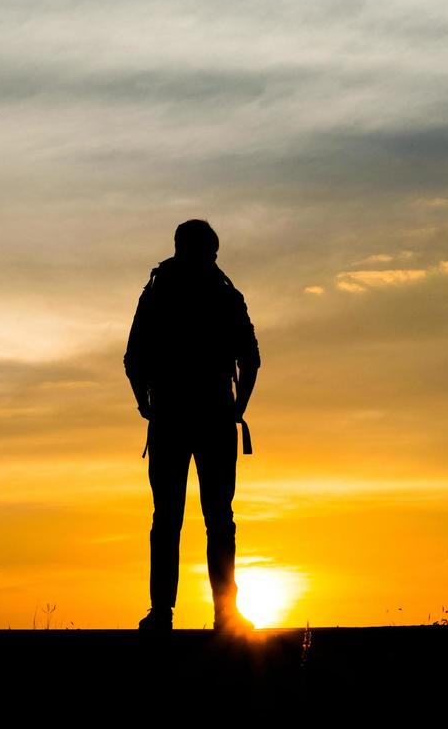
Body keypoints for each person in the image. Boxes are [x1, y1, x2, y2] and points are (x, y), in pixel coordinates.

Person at [124, 219, 260, 633]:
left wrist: (145, 404)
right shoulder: (225, 294)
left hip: (169, 415)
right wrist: (237, 407)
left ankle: (162, 613)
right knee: (219, 517)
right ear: (212, 250)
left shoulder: (157, 292)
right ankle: (226, 615)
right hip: (214, 414)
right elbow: (251, 360)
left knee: (167, 517)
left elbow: (133, 359)